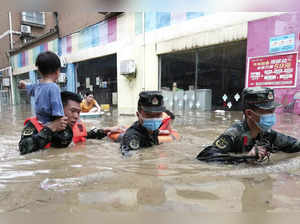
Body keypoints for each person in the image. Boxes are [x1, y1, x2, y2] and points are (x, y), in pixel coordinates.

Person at [196, 87, 300, 164]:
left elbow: (294, 146)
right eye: (266, 111)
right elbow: (205, 157)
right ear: (249, 113)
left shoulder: (267, 134)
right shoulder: (234, 133)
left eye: (272, 111)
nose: (272, 115)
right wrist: (245, 157)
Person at [19, 91, 107, 155]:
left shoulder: (76, 125)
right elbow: (23, 148)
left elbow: (84, 136)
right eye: (72, 111)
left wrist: (103, 132)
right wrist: (50, 128)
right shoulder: (35, 124)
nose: (76, 116)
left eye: (78, 112)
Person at [120, 91, 179, 156]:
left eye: (158, 114)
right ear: (138, 115)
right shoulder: (132, 137)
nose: (154, 118)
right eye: (148, 115)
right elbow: (131, 161)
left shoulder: (153, 130)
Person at [19, 51, 64, 124]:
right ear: (57, 71)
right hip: (51, 124)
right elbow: (57, 110)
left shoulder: (37, 86)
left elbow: (29, 88)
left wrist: (23, 84)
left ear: (39, 71)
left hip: (40, 122)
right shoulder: (53, 87)